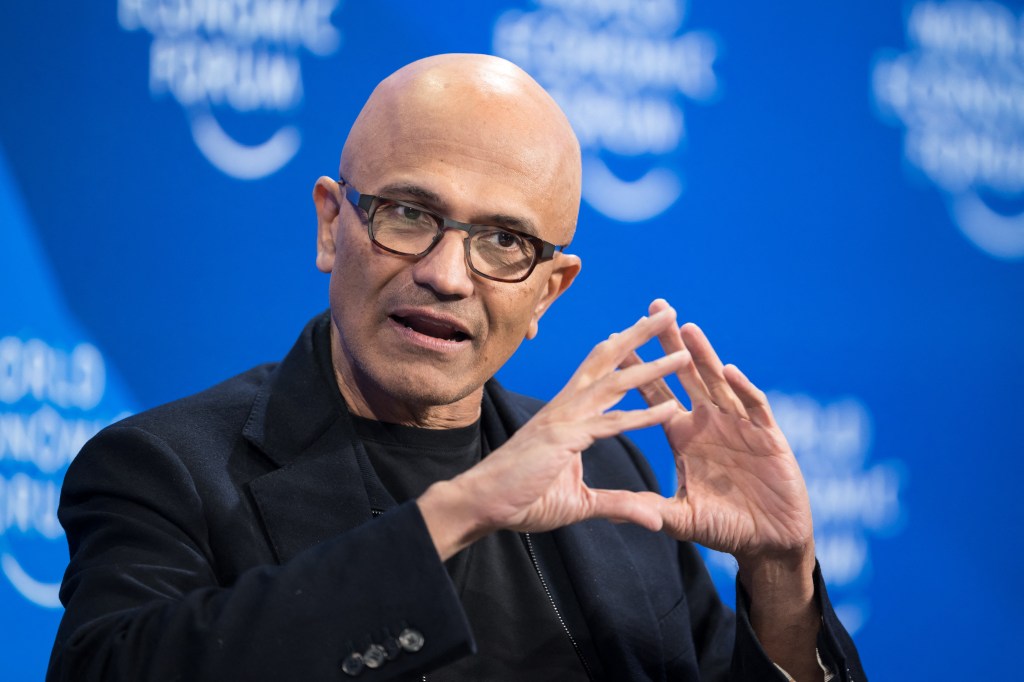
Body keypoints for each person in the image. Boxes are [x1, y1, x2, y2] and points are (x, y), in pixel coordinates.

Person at [48, 54, 865, 681]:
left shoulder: (610, 475)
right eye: (410, 214)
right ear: (333, 226)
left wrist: (781, 577)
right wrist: (467, 506)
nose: (445, 274)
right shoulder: (166, 468)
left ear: (549, 290)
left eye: (504, 241)